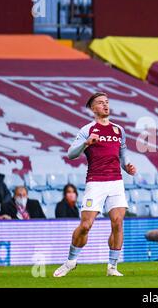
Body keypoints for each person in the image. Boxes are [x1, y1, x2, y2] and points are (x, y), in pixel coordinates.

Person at [53, 92, 136, 278]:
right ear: (92, 108)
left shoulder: (118, 130)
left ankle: (112, 267)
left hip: (116, 181)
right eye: (100, 103)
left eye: (107, 102)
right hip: (96, 182)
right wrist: (85, 143)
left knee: (118, 222)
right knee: (86, 225)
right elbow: (71, 154)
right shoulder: (87, 130)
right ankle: (70, 261)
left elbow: (122, 156)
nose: (105, 105)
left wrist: (127, 166)